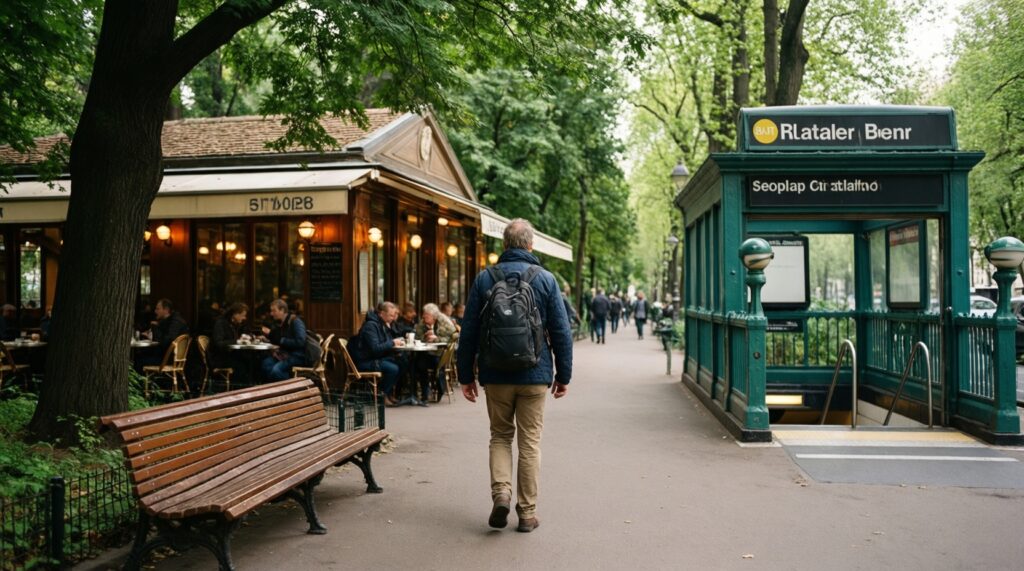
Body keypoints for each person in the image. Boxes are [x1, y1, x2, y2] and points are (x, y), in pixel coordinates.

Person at [457, 218, 573, 534]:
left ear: (505, 245)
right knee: (530, 443)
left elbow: (468, 331)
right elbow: (561, 331)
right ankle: (527, 513)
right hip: (535, 374)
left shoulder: (485, 278)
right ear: (530, 245)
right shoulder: (546, 280)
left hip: (495, 374)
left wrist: (465, 374)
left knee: (500, 436)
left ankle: (501, 494)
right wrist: (564, 375)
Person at [349, 301, 407, 406]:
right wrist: (393, 342)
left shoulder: (383, 324)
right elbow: (375, 348)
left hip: (375, 358)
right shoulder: (371, 326)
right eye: (390, 315)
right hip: (365, 361)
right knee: (393, 368)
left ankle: (388, 393)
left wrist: (393, 338)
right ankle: (381, 394)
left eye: (394, 315)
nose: (393, 318)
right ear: (381, 313)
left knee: (403, 362)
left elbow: (385, 343)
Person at [414, 303, 458, 402]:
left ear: (434, 316)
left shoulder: (443, 321)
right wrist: (425, 337)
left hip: (441, 353)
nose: (424, 316)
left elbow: (454, 337)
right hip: (427, 353)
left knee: (435, 364)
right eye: (424, 314)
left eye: (427, 315)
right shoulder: (422, 323)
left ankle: (440, 389)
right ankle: (426, 394)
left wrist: (436, 338)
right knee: (419, 365)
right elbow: (417, 338)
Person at [260, 299, 309, 381]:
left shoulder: (296, 321)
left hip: (297, 356)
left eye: (274, 311)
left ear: (282, 310)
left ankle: (290, 389)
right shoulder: (281, 323)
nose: (271, 314)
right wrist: (268, 339)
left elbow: (300, 342)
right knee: (265, 364)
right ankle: (274, 389)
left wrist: (282, 340)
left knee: (276, 370)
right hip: (285, 354)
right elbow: (278, 339)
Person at [138, 299, 189, 368]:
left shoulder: (175, 322)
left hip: (169, 360)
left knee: (138, 360)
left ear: (166, 310)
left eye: (158, 309)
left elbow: (165, 342)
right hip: (166, 357)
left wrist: (155, 328)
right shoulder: (167, 322)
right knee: (140, 355)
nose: (155, 311)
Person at [210, 303, 250, 381]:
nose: (244, 318)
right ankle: (238, 388)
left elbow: (248, 332)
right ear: (235, 314)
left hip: (231, 355)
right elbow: (219, 343)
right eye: (242, 315)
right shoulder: (221, 323)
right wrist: (237, 341)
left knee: (250, 359)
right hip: (220, 358)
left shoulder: (237, 324)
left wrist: (247, 336)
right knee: (242, 364)